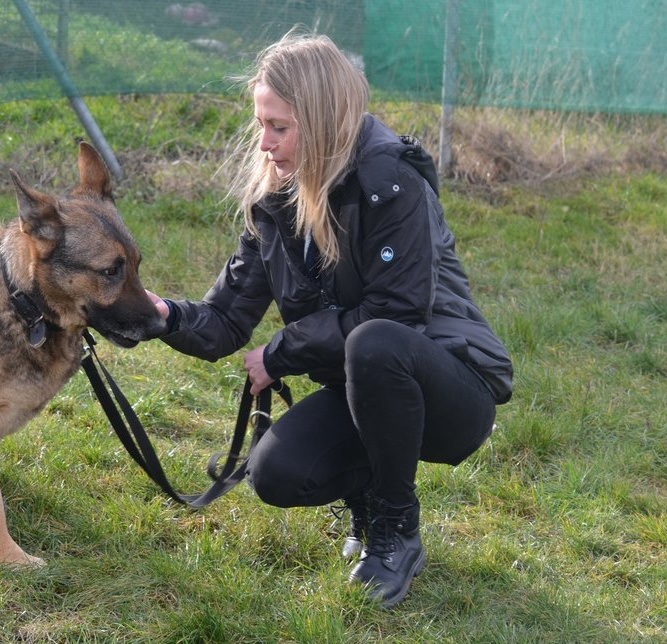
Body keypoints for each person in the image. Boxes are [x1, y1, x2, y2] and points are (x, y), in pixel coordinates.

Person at [146, 29, 513, 608]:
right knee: (277, 473)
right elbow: (223, 319)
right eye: (261, 124)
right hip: (366, 388)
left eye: (280, 127)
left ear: (320, 123)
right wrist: (157, 315)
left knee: (373, 343)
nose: (264, 144)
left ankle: (397, 529)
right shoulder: (277, 200)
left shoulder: (391, 181)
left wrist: (281, 352)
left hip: (454, 391)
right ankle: (366, 500)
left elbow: (398, 315)